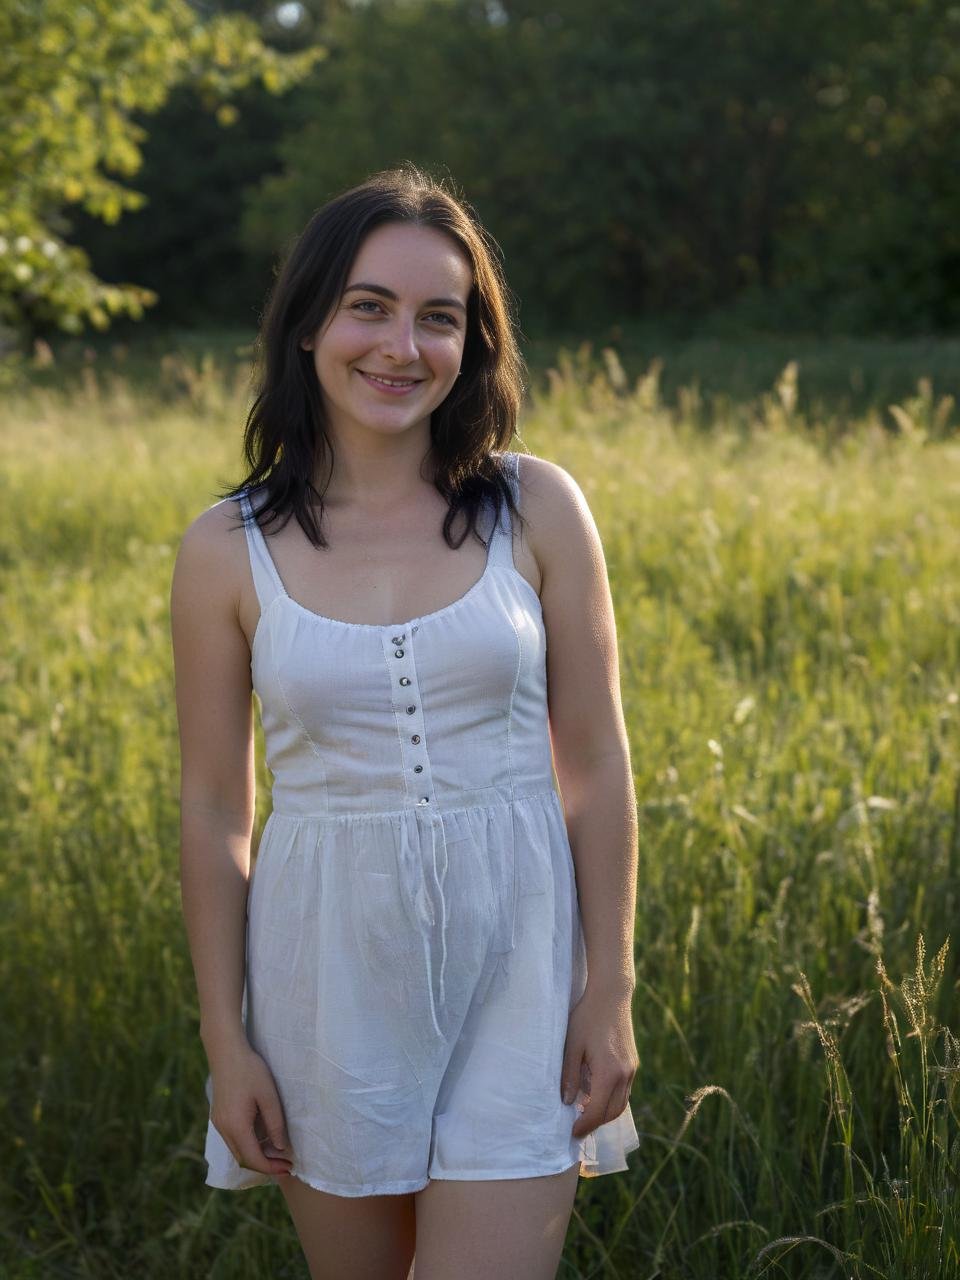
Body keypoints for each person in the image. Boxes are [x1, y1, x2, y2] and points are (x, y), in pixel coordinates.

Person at [170, 164, 640, 1280]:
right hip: (325, 977)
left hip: (523, 961)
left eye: (441, 317)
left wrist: (610, 986)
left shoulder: (538, 505)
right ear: (307, 324)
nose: (402, 345)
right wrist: (224, 1039)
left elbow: (600, 764)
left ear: (474, 343)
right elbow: (213, 807)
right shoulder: (224, 546)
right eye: (368, 305)